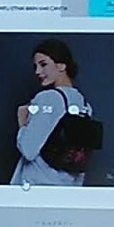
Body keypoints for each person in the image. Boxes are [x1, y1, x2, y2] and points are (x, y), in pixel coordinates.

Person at [11, 38, 92, 187]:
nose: (37, 72)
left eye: (43, 64)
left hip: (36, 185)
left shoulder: (48, 98)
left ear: (62, 65)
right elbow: (80, 162)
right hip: (66, 187)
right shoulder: (84, 104)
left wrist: (22, 123)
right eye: (36, 66)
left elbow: (28, 150)